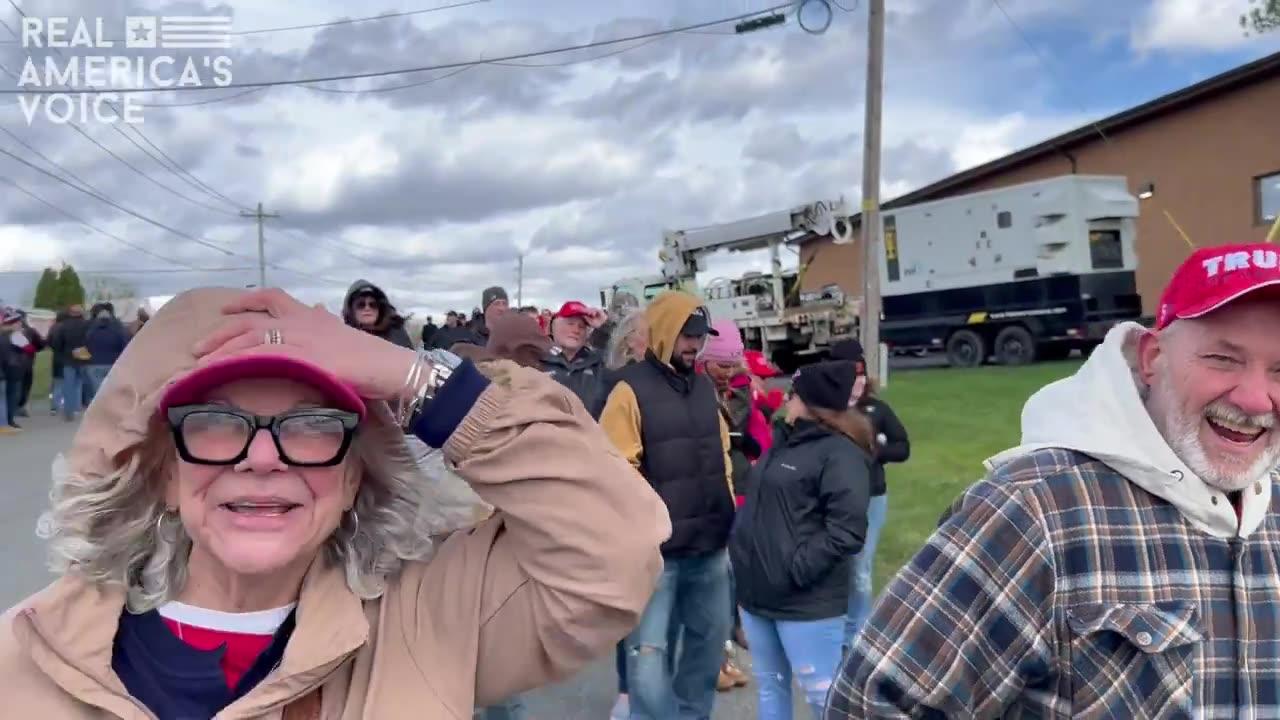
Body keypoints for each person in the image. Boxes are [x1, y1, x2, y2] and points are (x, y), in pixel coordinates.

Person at [0, 286, 670, 719]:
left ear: (354, 477)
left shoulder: (427, 620)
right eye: (215, 422)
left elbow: (613, 550)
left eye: (314, 427)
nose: (262, 458)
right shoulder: (26, 658)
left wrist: (416, 377)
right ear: (162, 471)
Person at [831, 242, 1280, 717]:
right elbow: (870, 704)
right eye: (1222, 359)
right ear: (1152, 357)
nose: (1255, 400)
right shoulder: (1035, 509)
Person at [600, 291, 735, 720]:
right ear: (663, 333)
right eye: (687, 335)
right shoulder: (629, 390)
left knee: (707, 645)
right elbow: (617, 471)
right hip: (658, 556)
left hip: (711, 548)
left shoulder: (703, 387)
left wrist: (727, 506)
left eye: (699, 336)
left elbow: (723, 454)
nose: (695, 345)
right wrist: (647, 531)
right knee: (648, 658)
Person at [731, 360, 872, 719]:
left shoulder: (842, 454)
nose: (785, 400)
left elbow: (846, 530)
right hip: (756, 597)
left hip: (805, 605)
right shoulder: (782, 440)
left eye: (793, 394)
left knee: (823, 699)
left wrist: (795, 570)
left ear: (809, 401)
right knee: (771, 690)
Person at [828, 339, 910, 649]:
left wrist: (878, 450)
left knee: (859, 568)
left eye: (861, 373)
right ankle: (835, 626)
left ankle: (858, 636)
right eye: (851, 373)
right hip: (833, 498)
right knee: (837, 565)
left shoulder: (876, 410)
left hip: (871, 497)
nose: (858, 380)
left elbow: (903, 447)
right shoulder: (824, 410)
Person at [543, 301, 610, 418]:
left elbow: (624, 354)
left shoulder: (600, 363)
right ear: (555, 327)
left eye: (582, 326)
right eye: (570, 324)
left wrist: (605, 326)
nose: (576, 330)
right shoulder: (537, 360)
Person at [46, 303, 90, 422]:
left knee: (68, 385)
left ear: (70, 313)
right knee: (79, 384)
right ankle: (76, 407)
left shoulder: (63, 326)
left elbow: (56, 343)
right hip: (83, 357)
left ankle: (68, 410)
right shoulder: (87, 325)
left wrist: (62, 352)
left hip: (67, 358)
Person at [342, 280, 413, 349]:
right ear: (351, 310)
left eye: (373, 305)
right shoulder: (344, 337)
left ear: (380, 308)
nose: (367, 308)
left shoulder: (397, 334)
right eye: (361, 305)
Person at [83, 302, 131, 402]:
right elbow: (124, 344)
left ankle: (99, 408)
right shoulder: (118, 329)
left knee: (97, 390)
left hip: (94, 363)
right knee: (112, 388)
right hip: (113, 362)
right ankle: (111, 406)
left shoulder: (90, 329)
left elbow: (86, 344)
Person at [15, 310, 45, 418]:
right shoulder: (30, 331)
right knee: (25, 385)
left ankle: (14, 406)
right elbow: (40, 345)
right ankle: (20, 406)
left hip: (12, 363)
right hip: (27, 362)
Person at [0, 307, 23, 432]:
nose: (20, 325)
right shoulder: (9, 337)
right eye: (18, 323)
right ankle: (5, 423)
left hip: (12, 371)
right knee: (7, 397)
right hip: (10, 371)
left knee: (9, 397)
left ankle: (8, 420)